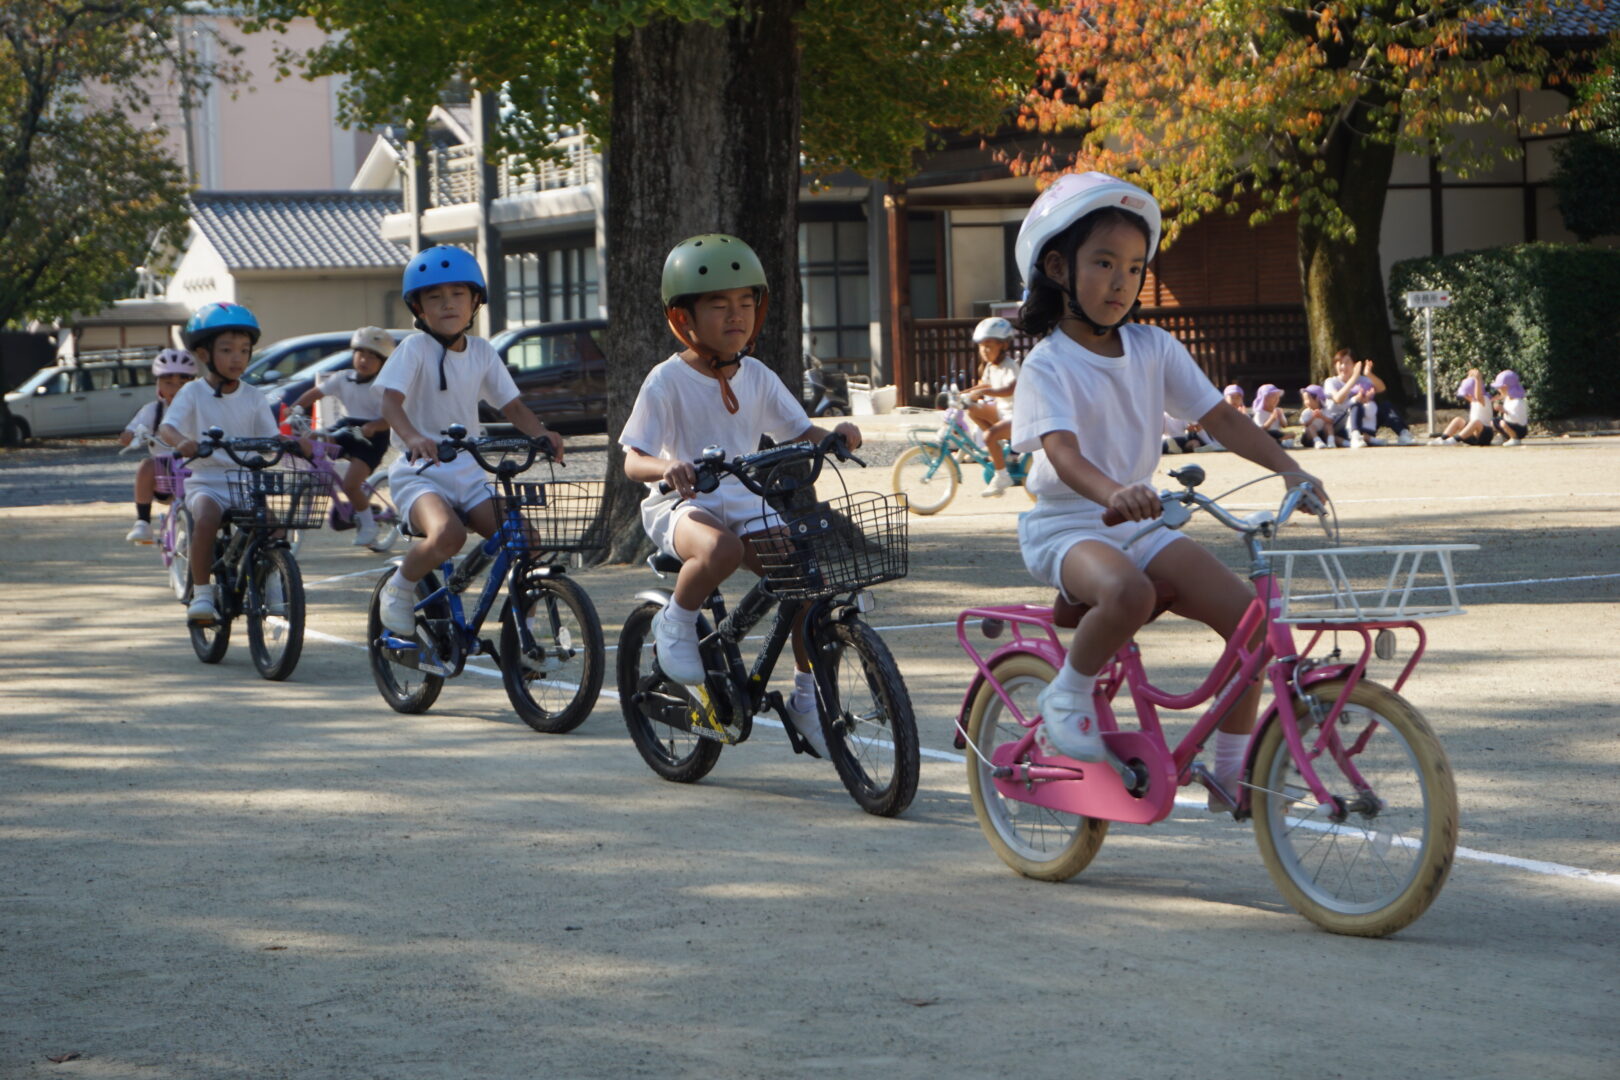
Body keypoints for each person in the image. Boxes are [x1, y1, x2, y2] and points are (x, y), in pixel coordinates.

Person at [1008, 171, 1325, 808]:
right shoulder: (1047, 364)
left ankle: (1232, 770)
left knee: (1255, 625)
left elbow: (1224, 419)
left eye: (1133, 266)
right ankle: (1067, 690)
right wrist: (1114, 493)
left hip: (1141, 521)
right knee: (1128, 590)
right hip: (1069, 526)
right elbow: (1063, 456)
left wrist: (1292, 470)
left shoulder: (1153, 346)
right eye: (1102, 263)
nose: (1121, 281)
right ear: (1057, 268)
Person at [620, 234, 862, 758]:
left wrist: (834, 436)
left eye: (746, 303)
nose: (737, 315)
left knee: (805, 583)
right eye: (719, 305)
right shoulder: (666, 381)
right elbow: (632, 458)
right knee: (720, 551)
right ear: (683, 318)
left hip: (745, 497)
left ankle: (806, 698)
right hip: (681, 504)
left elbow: (799, 430)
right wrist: (669, 466)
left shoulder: (756, 374)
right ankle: (675, 623)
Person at [375, 247, 563, 636]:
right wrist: (413, 437)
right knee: (448, 534)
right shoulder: (414, 349)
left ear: (476, 300)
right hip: (420, 472)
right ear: (419, 307)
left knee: (525, 539)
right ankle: (399, 588)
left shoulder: (481, 351)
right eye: (435, 296)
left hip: (468, 470)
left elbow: (512, 405)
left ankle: (523, 628)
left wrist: (540, 434)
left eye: (458, 294)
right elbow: (390, 402)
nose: (448, 304)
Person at [159, 303, 281, 625]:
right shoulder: (192, 392)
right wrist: (182, 442)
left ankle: (273, 585)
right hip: (206, 480)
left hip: (244, 481)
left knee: (274, 526)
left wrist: (293, 443)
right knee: (207, 518)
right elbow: (167, 427)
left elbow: (272, 437)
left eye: (244, 350)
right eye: (227, 350)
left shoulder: (254, 396)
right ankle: (201, 594)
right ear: (203, 353)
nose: (237, 358)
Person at [291, 326, 395, 550]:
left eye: (372, 356)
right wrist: (295, 409)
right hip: (348, 427)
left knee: (351, 485)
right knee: (311, 439)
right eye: (361, 353)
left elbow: (392, 418)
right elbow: (315, 393)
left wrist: (374, 425)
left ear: (383, 362)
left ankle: (368, 525)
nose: (364, 360)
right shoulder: (342, 378)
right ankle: (328, 474)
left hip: (371, 437)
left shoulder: (384, 387)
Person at [119, 348, 196, 543]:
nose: (175, 388)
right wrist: (129, 435)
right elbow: (132, 430)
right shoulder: (152, 411)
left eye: (182, 383)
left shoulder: (200, 409)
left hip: (197, 474)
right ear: (158, 384)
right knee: (146, 465)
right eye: (168, 382)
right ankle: (143, 522)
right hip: (165, 477)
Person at [961, 316, 1021, 495]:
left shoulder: (1010, 366)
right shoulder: (990, 367)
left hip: (1017, 417)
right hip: (1002, 414)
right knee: (972, 410)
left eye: (989, 345)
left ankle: (1002, 476)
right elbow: (984, 386)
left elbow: (1009, 389)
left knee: (988, 436)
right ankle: (1000, 443)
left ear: (1003, 345)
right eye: (981, 346)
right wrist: (963, 394)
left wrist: (984, 393)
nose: (984, 350)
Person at [1323, 348, 1416, 446]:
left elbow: (1381, 388)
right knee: (1356, 405)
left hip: (1366, 422)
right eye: (1340, 363)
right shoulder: (1331, 382)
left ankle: (1403, 433)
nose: (1343, 366)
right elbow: (1338, 399)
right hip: (1341, 424)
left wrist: (1369, 374)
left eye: (1347, 363)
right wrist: (1354, 379)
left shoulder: (1362, 380)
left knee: (1385, 406)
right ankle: (1357, 436)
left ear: (1355, 365)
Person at [1434, 370, 1494, 445]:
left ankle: (1454, 440)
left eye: (1469, 394)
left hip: (1484, 435)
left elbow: (1478, 396)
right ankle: (1443, 438)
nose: (1467, 397)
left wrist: (1478, 379)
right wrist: (1470, 377)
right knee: (1458, 420)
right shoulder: (1473, 401)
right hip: (1472, 435)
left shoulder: (1484, 399)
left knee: (1476, 422)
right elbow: (1467, 393)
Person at [1492, 370, 1529, 447]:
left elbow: (1516, 418)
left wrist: (1504, 411)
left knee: (1502, 423)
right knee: (1494, 421)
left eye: (1500, 387)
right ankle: (1505, 437)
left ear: (1505, 387)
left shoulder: (1518, 402)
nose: (1498, 390)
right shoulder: (1508, 399)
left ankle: (1515, 438)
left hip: (1519, 428)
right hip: (1510, 423)